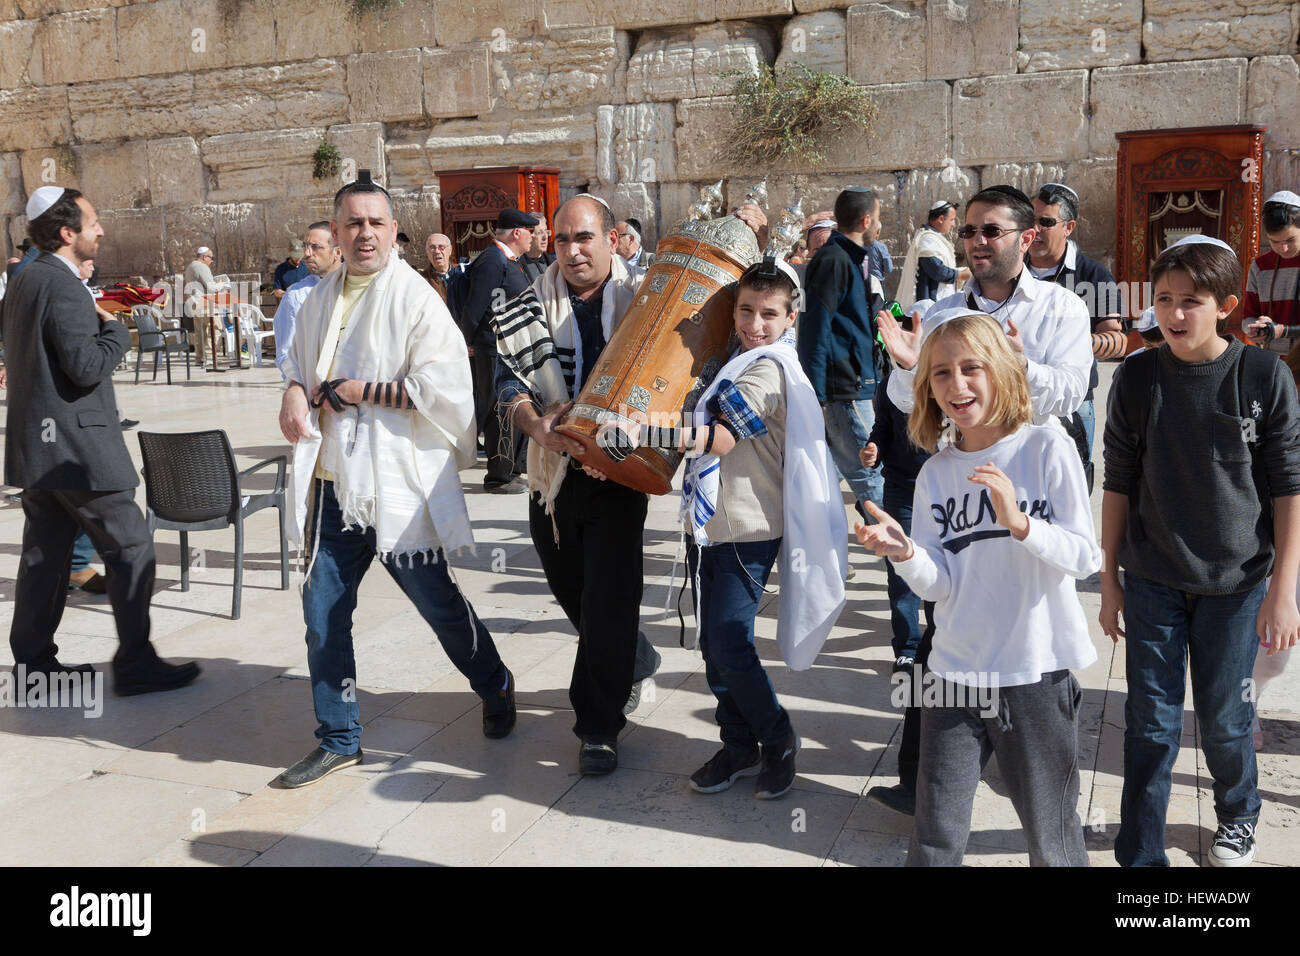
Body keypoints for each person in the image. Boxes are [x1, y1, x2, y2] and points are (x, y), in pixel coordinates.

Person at [494, 194, 767, 774]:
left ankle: (598, 725)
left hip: (620, 469)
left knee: (608, 600)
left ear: (611, 239)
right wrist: (533, 423)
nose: (572, 250)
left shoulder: (651, 296)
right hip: (553, 470)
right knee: (570, 587)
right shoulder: (524, 304)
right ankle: (634, 658)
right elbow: (505, 380)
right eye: (562, 240)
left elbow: (709, 350)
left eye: (584, 238)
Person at [275, 172, 516, 789]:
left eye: (375, 223)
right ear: (336, 231)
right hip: (334, 485)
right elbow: (301, 370)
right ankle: (340, 738)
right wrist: (296, 396)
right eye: (352, 223)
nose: (364, 234)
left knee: (437, 606)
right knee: (323, 612)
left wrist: (363, 392)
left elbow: (448, 391)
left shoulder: (415, 299)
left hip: (393, 488)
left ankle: (494, 682)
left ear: (392, 232)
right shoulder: (318, 296)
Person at [859, 308, 1099, 866]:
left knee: (1053, 835)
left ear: (1002, 370)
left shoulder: (1046, 446)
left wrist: (1022, 525)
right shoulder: (935, 473)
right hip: (952, 674)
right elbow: (939, 586)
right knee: (936, 834)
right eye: (940, 373)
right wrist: (906, 553)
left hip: (1035, 674)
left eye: (972, 367)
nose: (957, 384)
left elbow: (1085, 557)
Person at [1100, 235, 1300, 868]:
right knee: (1150, 725)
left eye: (1192, 300)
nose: (1175, 314)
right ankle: (1140, 849)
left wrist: (1283, 591)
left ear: (1228, 305)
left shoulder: (1263, 375)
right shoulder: (1136, 378)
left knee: (1225, 720)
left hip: (1238, 585)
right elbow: (1118, 482)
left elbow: (1289, 486)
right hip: (1155, 579)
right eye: (1163, 299)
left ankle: (1238, 814)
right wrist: (1109, 580)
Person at [3, 186, 200, 695]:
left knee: (44, 558)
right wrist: (117, 331)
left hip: (39, 447)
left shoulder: (24, 279)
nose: (102, 231)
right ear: (67, 233)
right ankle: (136, 663)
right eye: (93, 223)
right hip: (77, 451)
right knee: (132, 546)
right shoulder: (64, 286)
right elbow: (86, 366)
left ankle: (33, 669)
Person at [666, 258, 846, 799]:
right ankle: (738, 744)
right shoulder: (732, 360)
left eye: (769, 314)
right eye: (746, 310)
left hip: (747, 524)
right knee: (712, 643)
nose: (755, 323)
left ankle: (777, 735)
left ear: (790, 318)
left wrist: (640, 432)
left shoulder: (769, 369)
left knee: (727, 637)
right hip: (707, 520)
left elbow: (721, 438)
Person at [879, 186, 1093, 478]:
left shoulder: (1061, 307)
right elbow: (907, 402)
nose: (978, 241)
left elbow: (1071, 395)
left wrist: (1020, 367)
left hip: (1034, 475)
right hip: (962, 478)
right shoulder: (942, 314)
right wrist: (910, 367)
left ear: (1025, 239)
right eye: (969, 231)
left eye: (992, 231)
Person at [799, 187, 888, 514]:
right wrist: (819, 395)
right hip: (845, 390)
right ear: (866, 220)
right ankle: (903, 558)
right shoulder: (834, 260)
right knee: (872, 476)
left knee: (828, 476)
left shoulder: (850, 258)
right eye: (877, 218)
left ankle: (816, 551)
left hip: (856, 384)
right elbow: (814, 330)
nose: (879, 225)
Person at [1028, 182, 1126, 478]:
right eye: (1029, 220)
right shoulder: (1010, 268)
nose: (1036, 229)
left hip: (1072, 403)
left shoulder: (1093, 274)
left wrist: (1070, 342)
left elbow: (1118, 340)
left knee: (1072, 489)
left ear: (1068, 227)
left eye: (1046, 222)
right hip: (1016, 399)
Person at [459, 208, 537, 493]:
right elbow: (476, 306)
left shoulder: (508, 259)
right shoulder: (493, 260)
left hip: (510, 350)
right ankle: (498, 476)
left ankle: (512, 468)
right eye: (530, 232)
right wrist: (464, 343)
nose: (534, 238)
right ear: (517, 232)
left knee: (512, 407)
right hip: (493, 349)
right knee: (497, 411)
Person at [273, 221, 342, 378]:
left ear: (337, 252)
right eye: (305, 246)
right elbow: (286, 354)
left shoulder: (361, 287)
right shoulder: (297, 296)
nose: (307, 253)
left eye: (316, 247)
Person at [1244, 190, 1300, 355]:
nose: (1283, 248)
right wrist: (1256, 328)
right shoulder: (1260, 266)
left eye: (1290, 240)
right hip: (1271, 361)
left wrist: (1282, 331)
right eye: (1274, 242)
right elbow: (1248, 317)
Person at [896, 200, 969, 312]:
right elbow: (936, 270)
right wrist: (960, 275)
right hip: (929, 308)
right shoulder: (927, 240)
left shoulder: (933, 239)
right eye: (952, 220)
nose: (953, 224)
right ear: (940, 219)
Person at [182, 246, 228, 365]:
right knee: (214, 328)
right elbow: (211, 286)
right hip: (205, 303)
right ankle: (209, 357)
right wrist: (223, 285)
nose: (212, 261)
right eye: (211, 258)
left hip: (193, 303)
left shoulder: (190, 267)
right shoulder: (202, 267)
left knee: (200, 331)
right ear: (204, 257)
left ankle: (200, 358)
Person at [422, 232, 466, 305]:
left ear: (450, 250)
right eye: (432, 247)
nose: (437, 251)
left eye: (441, 247)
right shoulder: (421, 280)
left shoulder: (464, 272)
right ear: (427, 251)